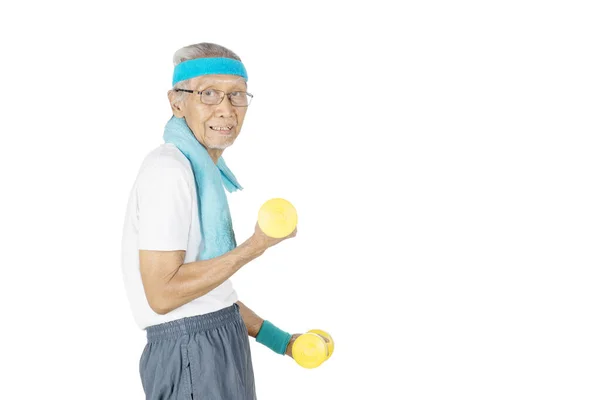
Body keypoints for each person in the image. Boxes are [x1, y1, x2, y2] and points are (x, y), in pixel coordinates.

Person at [120, 42, 307, 399]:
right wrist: (255, 246)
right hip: (191, 351)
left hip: (217, 342)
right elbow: (163, 294)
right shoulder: (168, 172)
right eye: (208, 93)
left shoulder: (202, 172)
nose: (226, 109)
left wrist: (282, 342)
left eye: (237, 95)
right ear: (177, 102)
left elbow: (211, 295)